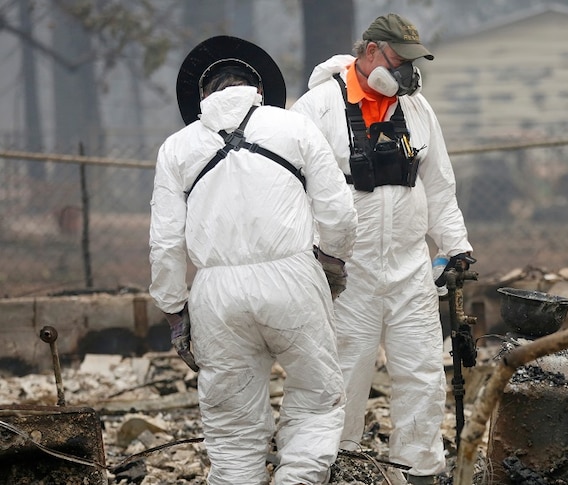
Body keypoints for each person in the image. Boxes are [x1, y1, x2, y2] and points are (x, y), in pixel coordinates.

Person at [149, 35, 357, 485]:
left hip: (215, 295)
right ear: (259, 91)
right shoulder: (295, 128)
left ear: (203, 96)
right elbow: (338, 212)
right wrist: (333, 263)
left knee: (232, 424)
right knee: (317, 397)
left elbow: (165, 243)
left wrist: (174, 311)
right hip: (294, 278)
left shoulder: (176, 148)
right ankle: (297, 477)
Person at [290, 13, 474, 485]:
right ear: (370, 51)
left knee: (423, 373)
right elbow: (291, 193)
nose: (407, 72)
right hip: (345, 272)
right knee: (344, 375)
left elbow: (438, 185)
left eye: (413, 62)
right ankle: (343, 467)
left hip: (411, 267)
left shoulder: (417, 110)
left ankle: (420, 472)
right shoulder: (317, 109)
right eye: (398, 60)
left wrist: (455, 246)